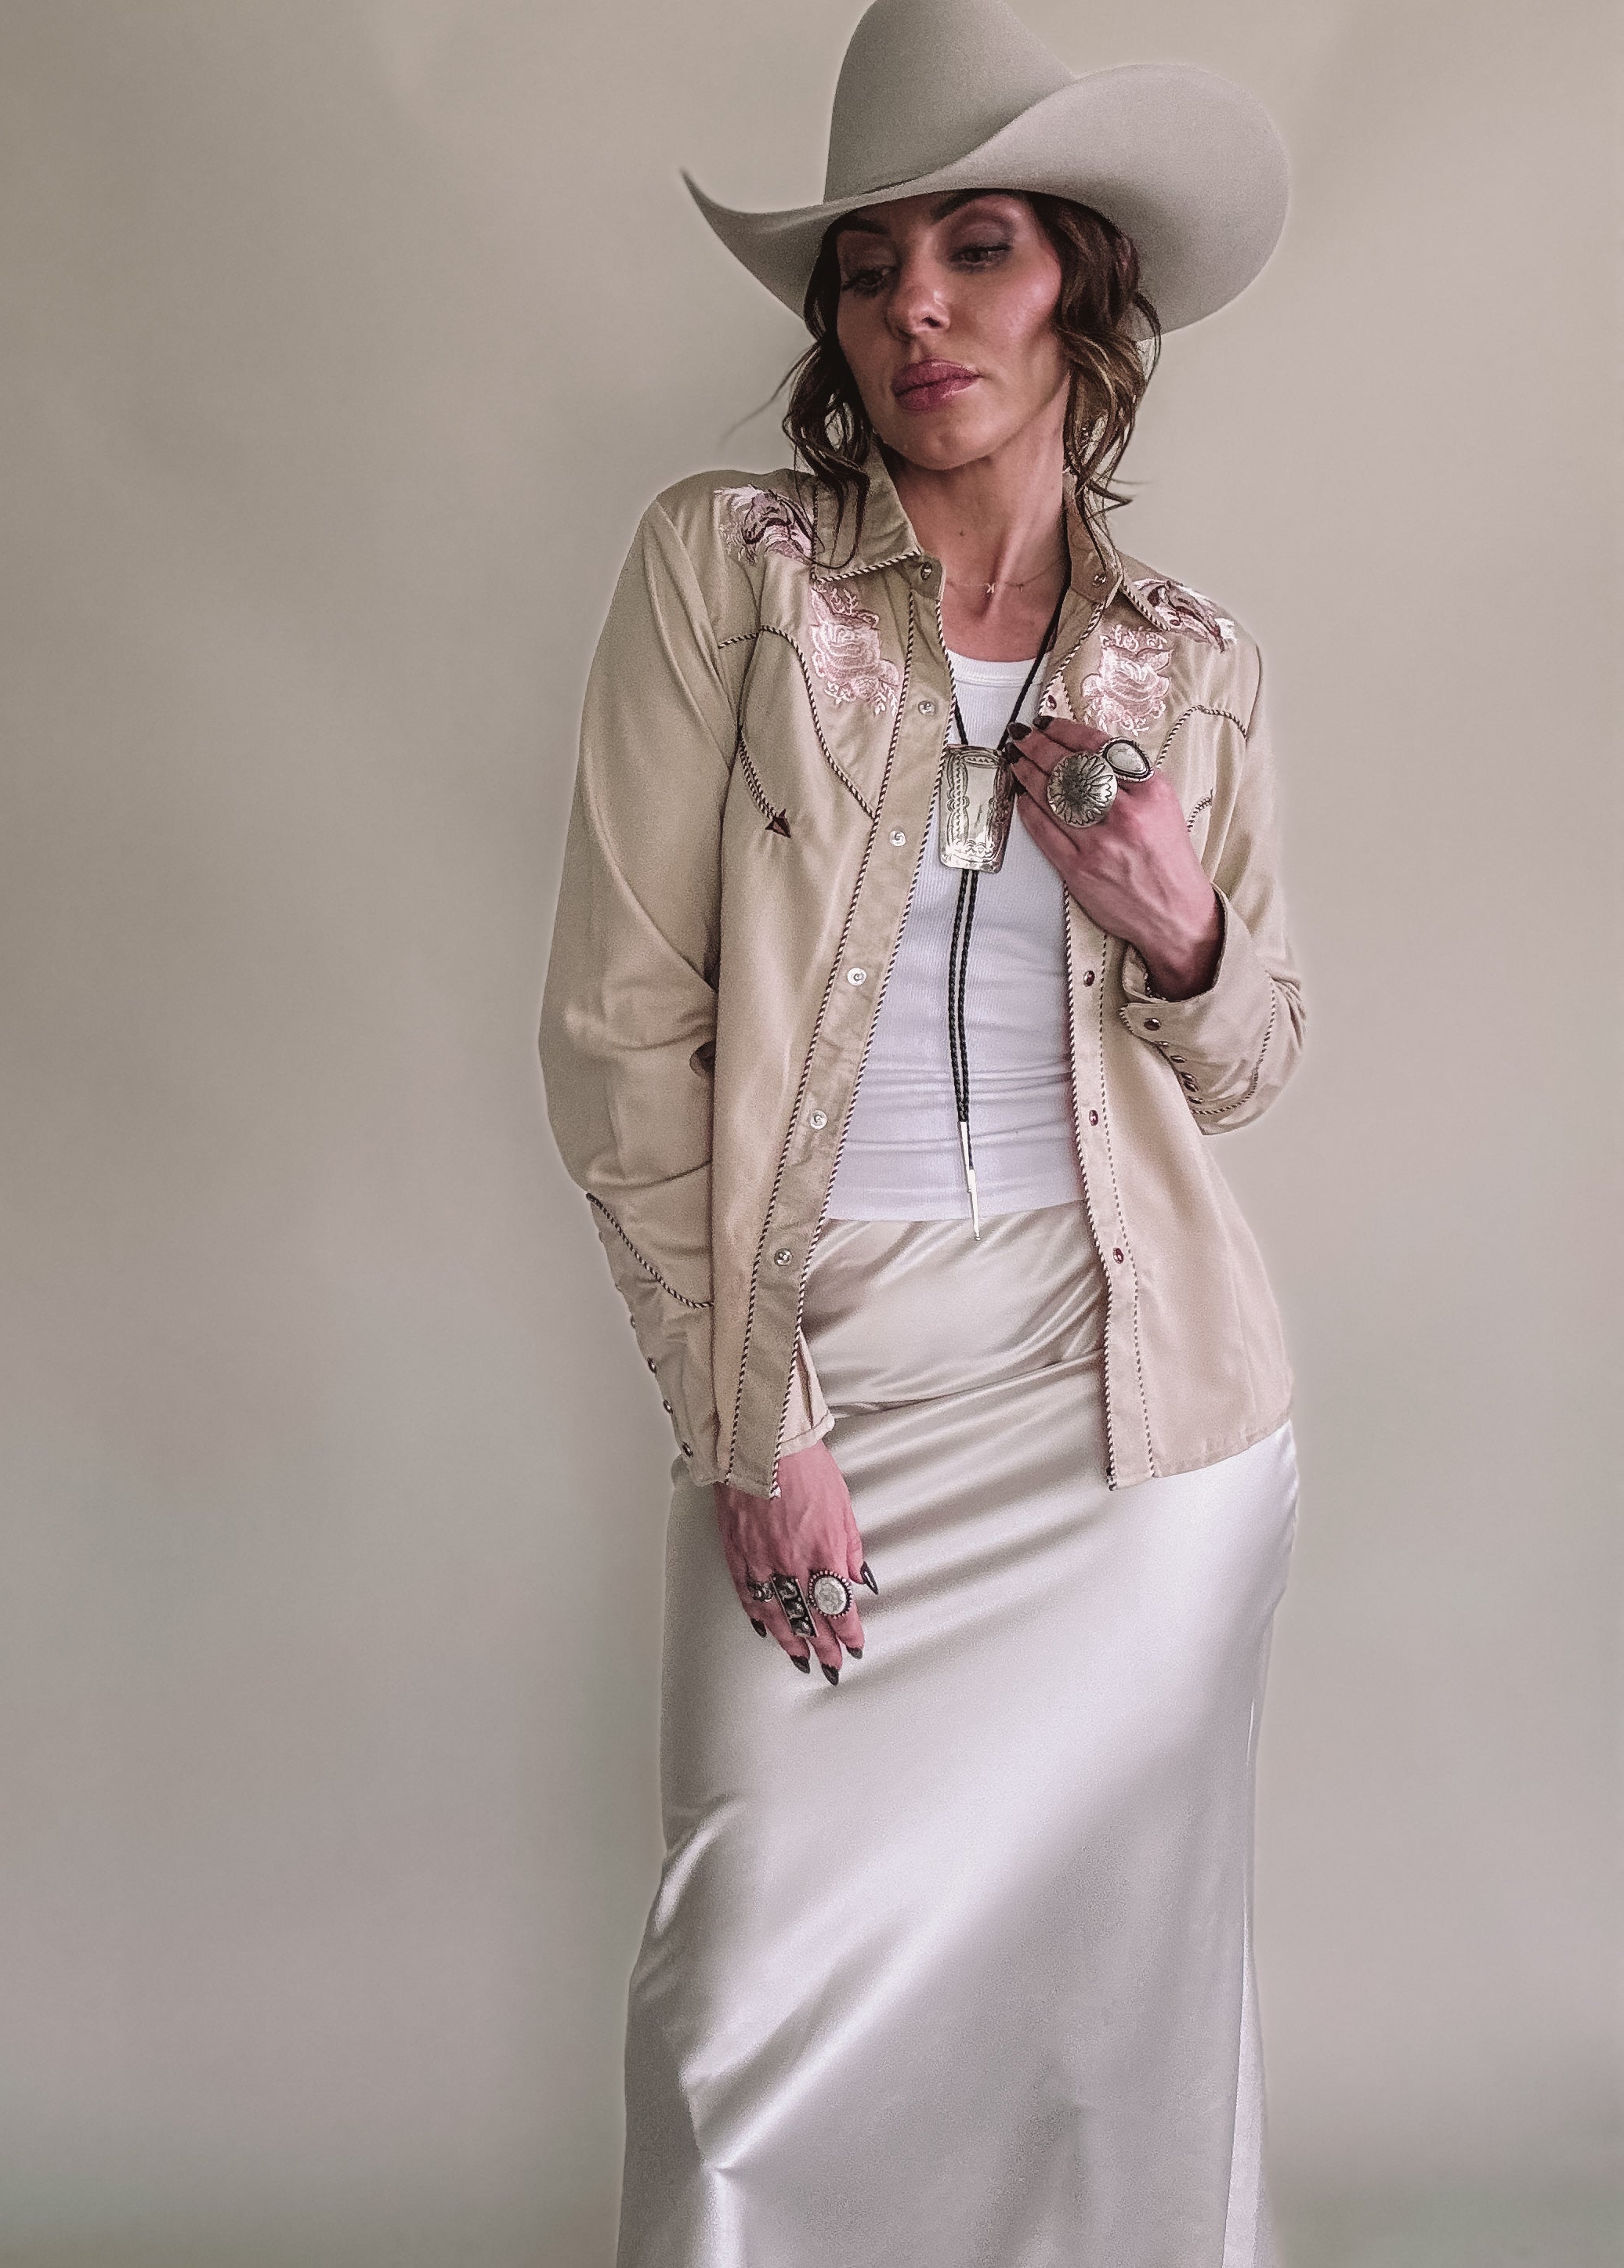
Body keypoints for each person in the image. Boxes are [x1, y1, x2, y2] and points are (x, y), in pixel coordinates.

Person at [537, 2, 1305, 2259]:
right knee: (748, 1990)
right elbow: (616, 1029)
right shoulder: (729, 574)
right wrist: (745, 1410)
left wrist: (1181, 931)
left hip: (1134, 1416)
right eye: (870, 266)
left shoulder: (1189, 661)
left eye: (978, 249)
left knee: (1105, 2026)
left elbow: (1255, 1059)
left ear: (1085, 289)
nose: (916, 312)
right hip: (822, 1361)